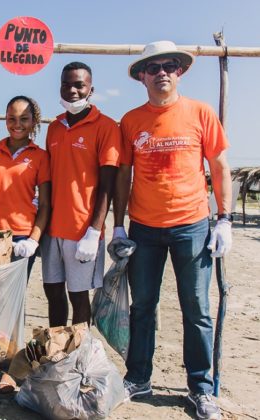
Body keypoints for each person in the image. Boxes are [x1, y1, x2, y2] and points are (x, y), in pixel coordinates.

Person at [113, 41, 232, 420]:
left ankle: (201, 388)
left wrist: (224, 218)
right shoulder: (131, 120)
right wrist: (117, 226)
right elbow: (122, 175)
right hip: (143, 228)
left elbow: (219, 165)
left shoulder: (200, 112)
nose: (162, 72)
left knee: (196, 309)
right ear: (142, 76)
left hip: (192, 225)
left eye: (169, 65)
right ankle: (138, 378)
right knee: (142, 306)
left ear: (179, 72)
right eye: (153, 67)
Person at [0, 95, 51, 393]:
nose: (17, 124)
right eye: (11, 118)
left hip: (20, 240)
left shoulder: (40, 156)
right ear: (4, 119)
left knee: (12, 304)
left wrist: (33, 239)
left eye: (24, 119)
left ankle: (10, 369)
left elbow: (45, 204)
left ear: (34, 122)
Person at [41, 61, 121, 328]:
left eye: (79, 85)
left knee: (78, 296)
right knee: (52, 293)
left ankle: (79, 355)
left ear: (91, 89)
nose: (72, 90)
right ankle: (57, 351)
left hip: (82, 229)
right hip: (52, 228)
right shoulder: (54, 127)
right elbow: (48, 178)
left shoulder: (106, 127)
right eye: (67, 84)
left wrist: (94, 230)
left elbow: (107, 184)